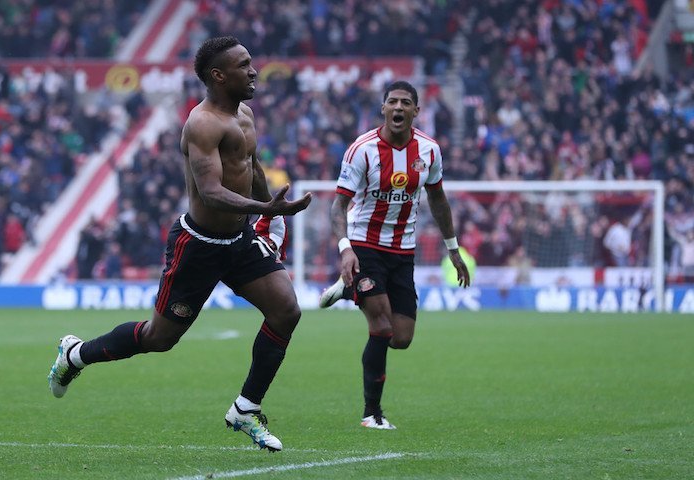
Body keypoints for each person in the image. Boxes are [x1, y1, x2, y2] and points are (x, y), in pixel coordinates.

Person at [47, 36, 312, 452]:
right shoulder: (202, 123)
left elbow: (250, 166)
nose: (254, 70)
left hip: (239, 240)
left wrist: (272, 213)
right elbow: (211, 192)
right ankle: (76, 354)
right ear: (218, 75)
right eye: (243, 64)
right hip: (199, 246)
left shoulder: (245, 114)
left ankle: (245, 409)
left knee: (286, 310)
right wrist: (263, 206)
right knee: (159, 338)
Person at [319, 81, 470, 429]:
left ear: (416, 111)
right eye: (392, 102)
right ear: (383, 109)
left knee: (401, 338)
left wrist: (453, 248)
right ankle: (371, 414)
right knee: (382, 327)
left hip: (402, 250)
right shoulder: (362, 150)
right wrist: (345, 249)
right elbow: (338, 206)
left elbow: (438, 199)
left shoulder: (429, 150)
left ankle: (349, 288)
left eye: (405, 102)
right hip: (364, 245)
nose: (398, 107)